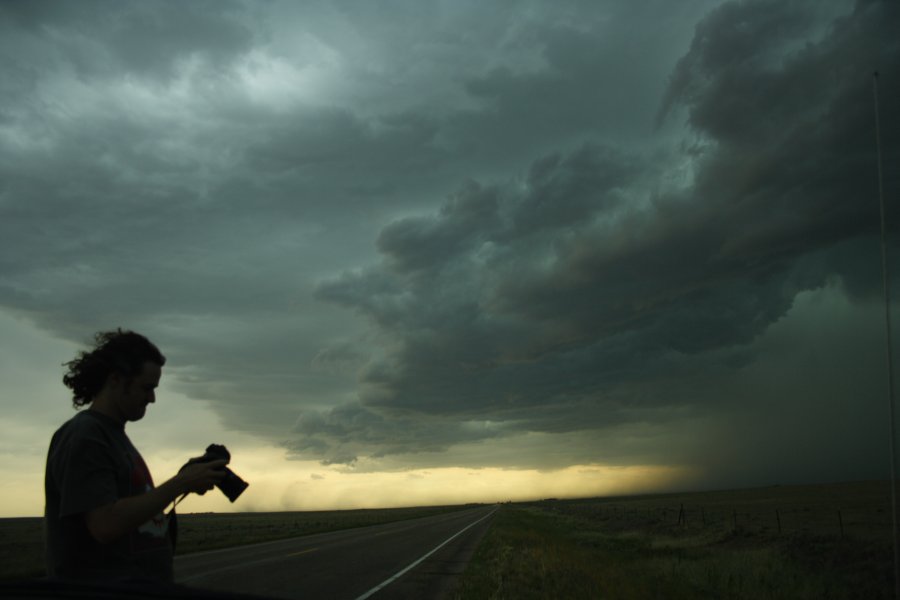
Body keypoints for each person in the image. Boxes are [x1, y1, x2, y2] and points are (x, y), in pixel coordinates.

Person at [44, 329, 227, 583]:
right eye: (147, 387)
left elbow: (134, 510)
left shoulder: (112, 435)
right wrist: (181, 484)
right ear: (116, 380)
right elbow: (105, 524)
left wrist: (186, 478)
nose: (152, 398)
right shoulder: (86, 435)